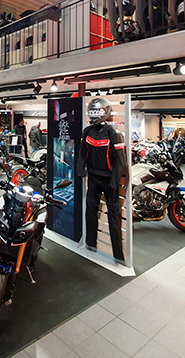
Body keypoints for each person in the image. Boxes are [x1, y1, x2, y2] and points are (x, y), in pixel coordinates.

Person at [77, 97, 127, 261]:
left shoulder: (113, 133)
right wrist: (80, 171)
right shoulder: (87, 132)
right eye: (93, 111)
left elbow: (120, 161)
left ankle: (118, 254)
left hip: (109, 180)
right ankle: (90, 243)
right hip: (93, 178)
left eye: (97, 111)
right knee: (90, 211)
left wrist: (114, 181)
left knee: (114, 216)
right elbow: (82, 154)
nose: (95, 114)